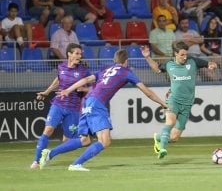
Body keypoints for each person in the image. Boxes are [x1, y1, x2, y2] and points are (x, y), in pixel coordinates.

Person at [38, 49, 168, 171]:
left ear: (114, 60)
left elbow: (86, 79)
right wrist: (162, 103)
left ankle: (50, 153)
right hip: (97, 104)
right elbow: (147, 92)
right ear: (126, 61)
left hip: (86, 102)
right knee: (105, 141)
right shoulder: (126, 72)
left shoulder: (106, 69)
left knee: (85, 140)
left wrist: (68, 90)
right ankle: (76, 164)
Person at [141, 41, 217, 159]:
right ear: (175, 53)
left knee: (175, 137)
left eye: (186, 54)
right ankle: (162, 149)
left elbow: (209, 63)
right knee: (170, 122)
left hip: (187, 104)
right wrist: (147, 57)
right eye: (182, 54)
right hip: (173, 100)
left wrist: (212, 65)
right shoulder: (169, 64)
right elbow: (156, 69)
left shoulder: (193, 61)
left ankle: (158, 138)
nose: (185, 57)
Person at [30, 43, 91, 169]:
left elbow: (94, 86)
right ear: (69, 54)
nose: (79, 56)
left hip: (73, 109)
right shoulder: (61, 67)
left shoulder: (83, 71)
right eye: (76, 53)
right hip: (58, 104)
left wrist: (84, 89)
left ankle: (49, 154)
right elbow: (57, 81)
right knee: (48, 130)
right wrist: (47, 92)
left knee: (67, 141)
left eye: (80, 54)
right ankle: (36, 161)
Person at [201, 16, 222, 81]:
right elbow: (202, 48)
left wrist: (219, 22)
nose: (213, 24)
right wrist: (212, 53)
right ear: (208, 23)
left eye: (215, 23)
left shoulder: (218, 33)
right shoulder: (203, 34)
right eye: (211, 22)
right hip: (209, 56)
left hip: (218, 55)